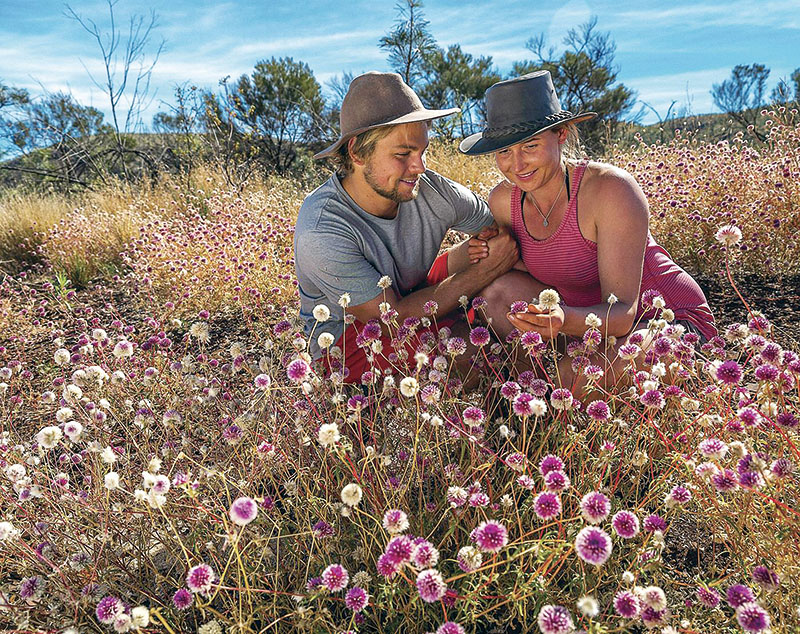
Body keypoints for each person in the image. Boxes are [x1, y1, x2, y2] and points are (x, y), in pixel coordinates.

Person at [459, 70, 716, 390]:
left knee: (577, 376)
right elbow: (536, 261)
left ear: (562, 134)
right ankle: (540, 401)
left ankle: (561, 397)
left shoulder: (610, 190)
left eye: (530, 145)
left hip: (660, 322)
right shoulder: (502, 200)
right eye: (504, 152)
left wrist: (563, 320)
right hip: (582, 320)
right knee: (495, 295)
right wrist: (490, 251)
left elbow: (623, 311)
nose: (517, 164)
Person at [295, 71, 519, 383]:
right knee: (465, 351)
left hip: (412, 294)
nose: (420, 166)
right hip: (351, 341)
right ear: (357, 152)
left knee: (486, 305)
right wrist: (486, 269)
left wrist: (483, 248)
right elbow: (391, 317)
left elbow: (498, 230)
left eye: (422, 150)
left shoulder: (431, 190)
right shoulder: (321, 229)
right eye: (403, 154)